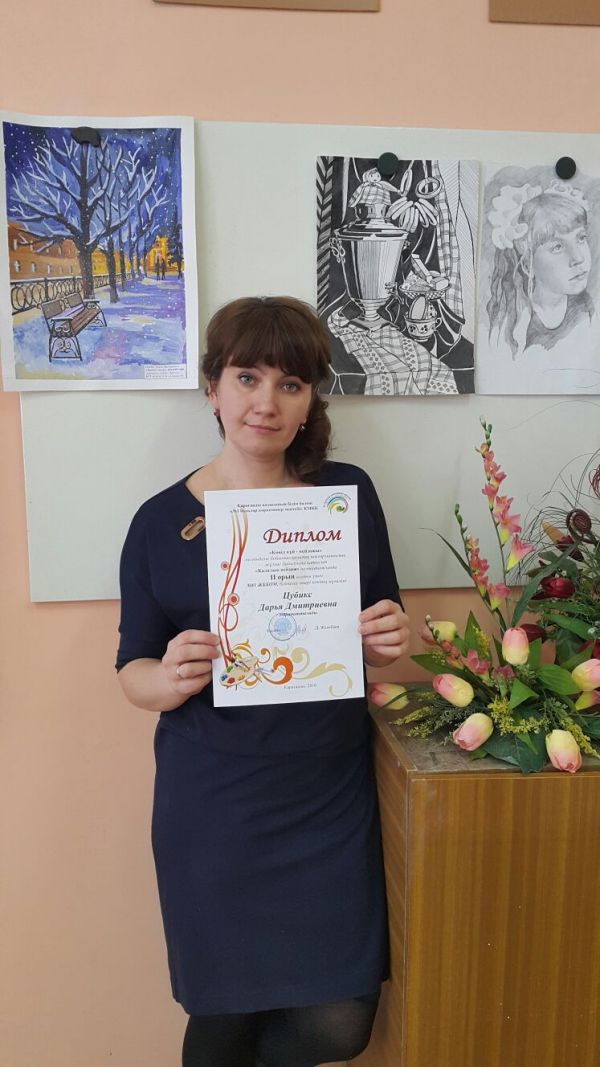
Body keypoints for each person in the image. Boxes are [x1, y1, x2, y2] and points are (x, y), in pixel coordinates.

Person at [116, 296, 410, 1067]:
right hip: (215, 805)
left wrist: (391, 636)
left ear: (310, 399)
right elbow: (131, 672)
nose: (266, 402)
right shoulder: (159, 522)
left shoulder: (346, 496)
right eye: (247, 377)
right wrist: (168, 675)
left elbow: (382, 629)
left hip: (328, 796)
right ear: (212, 386)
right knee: (224, 1016)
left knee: (340, 1022)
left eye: (290, 383)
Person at [487, 181, 594, 357]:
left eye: (581, 238)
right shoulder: (515, 327)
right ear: (527, 264)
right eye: (557, 247)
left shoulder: (585, 307)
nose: (578, 258)